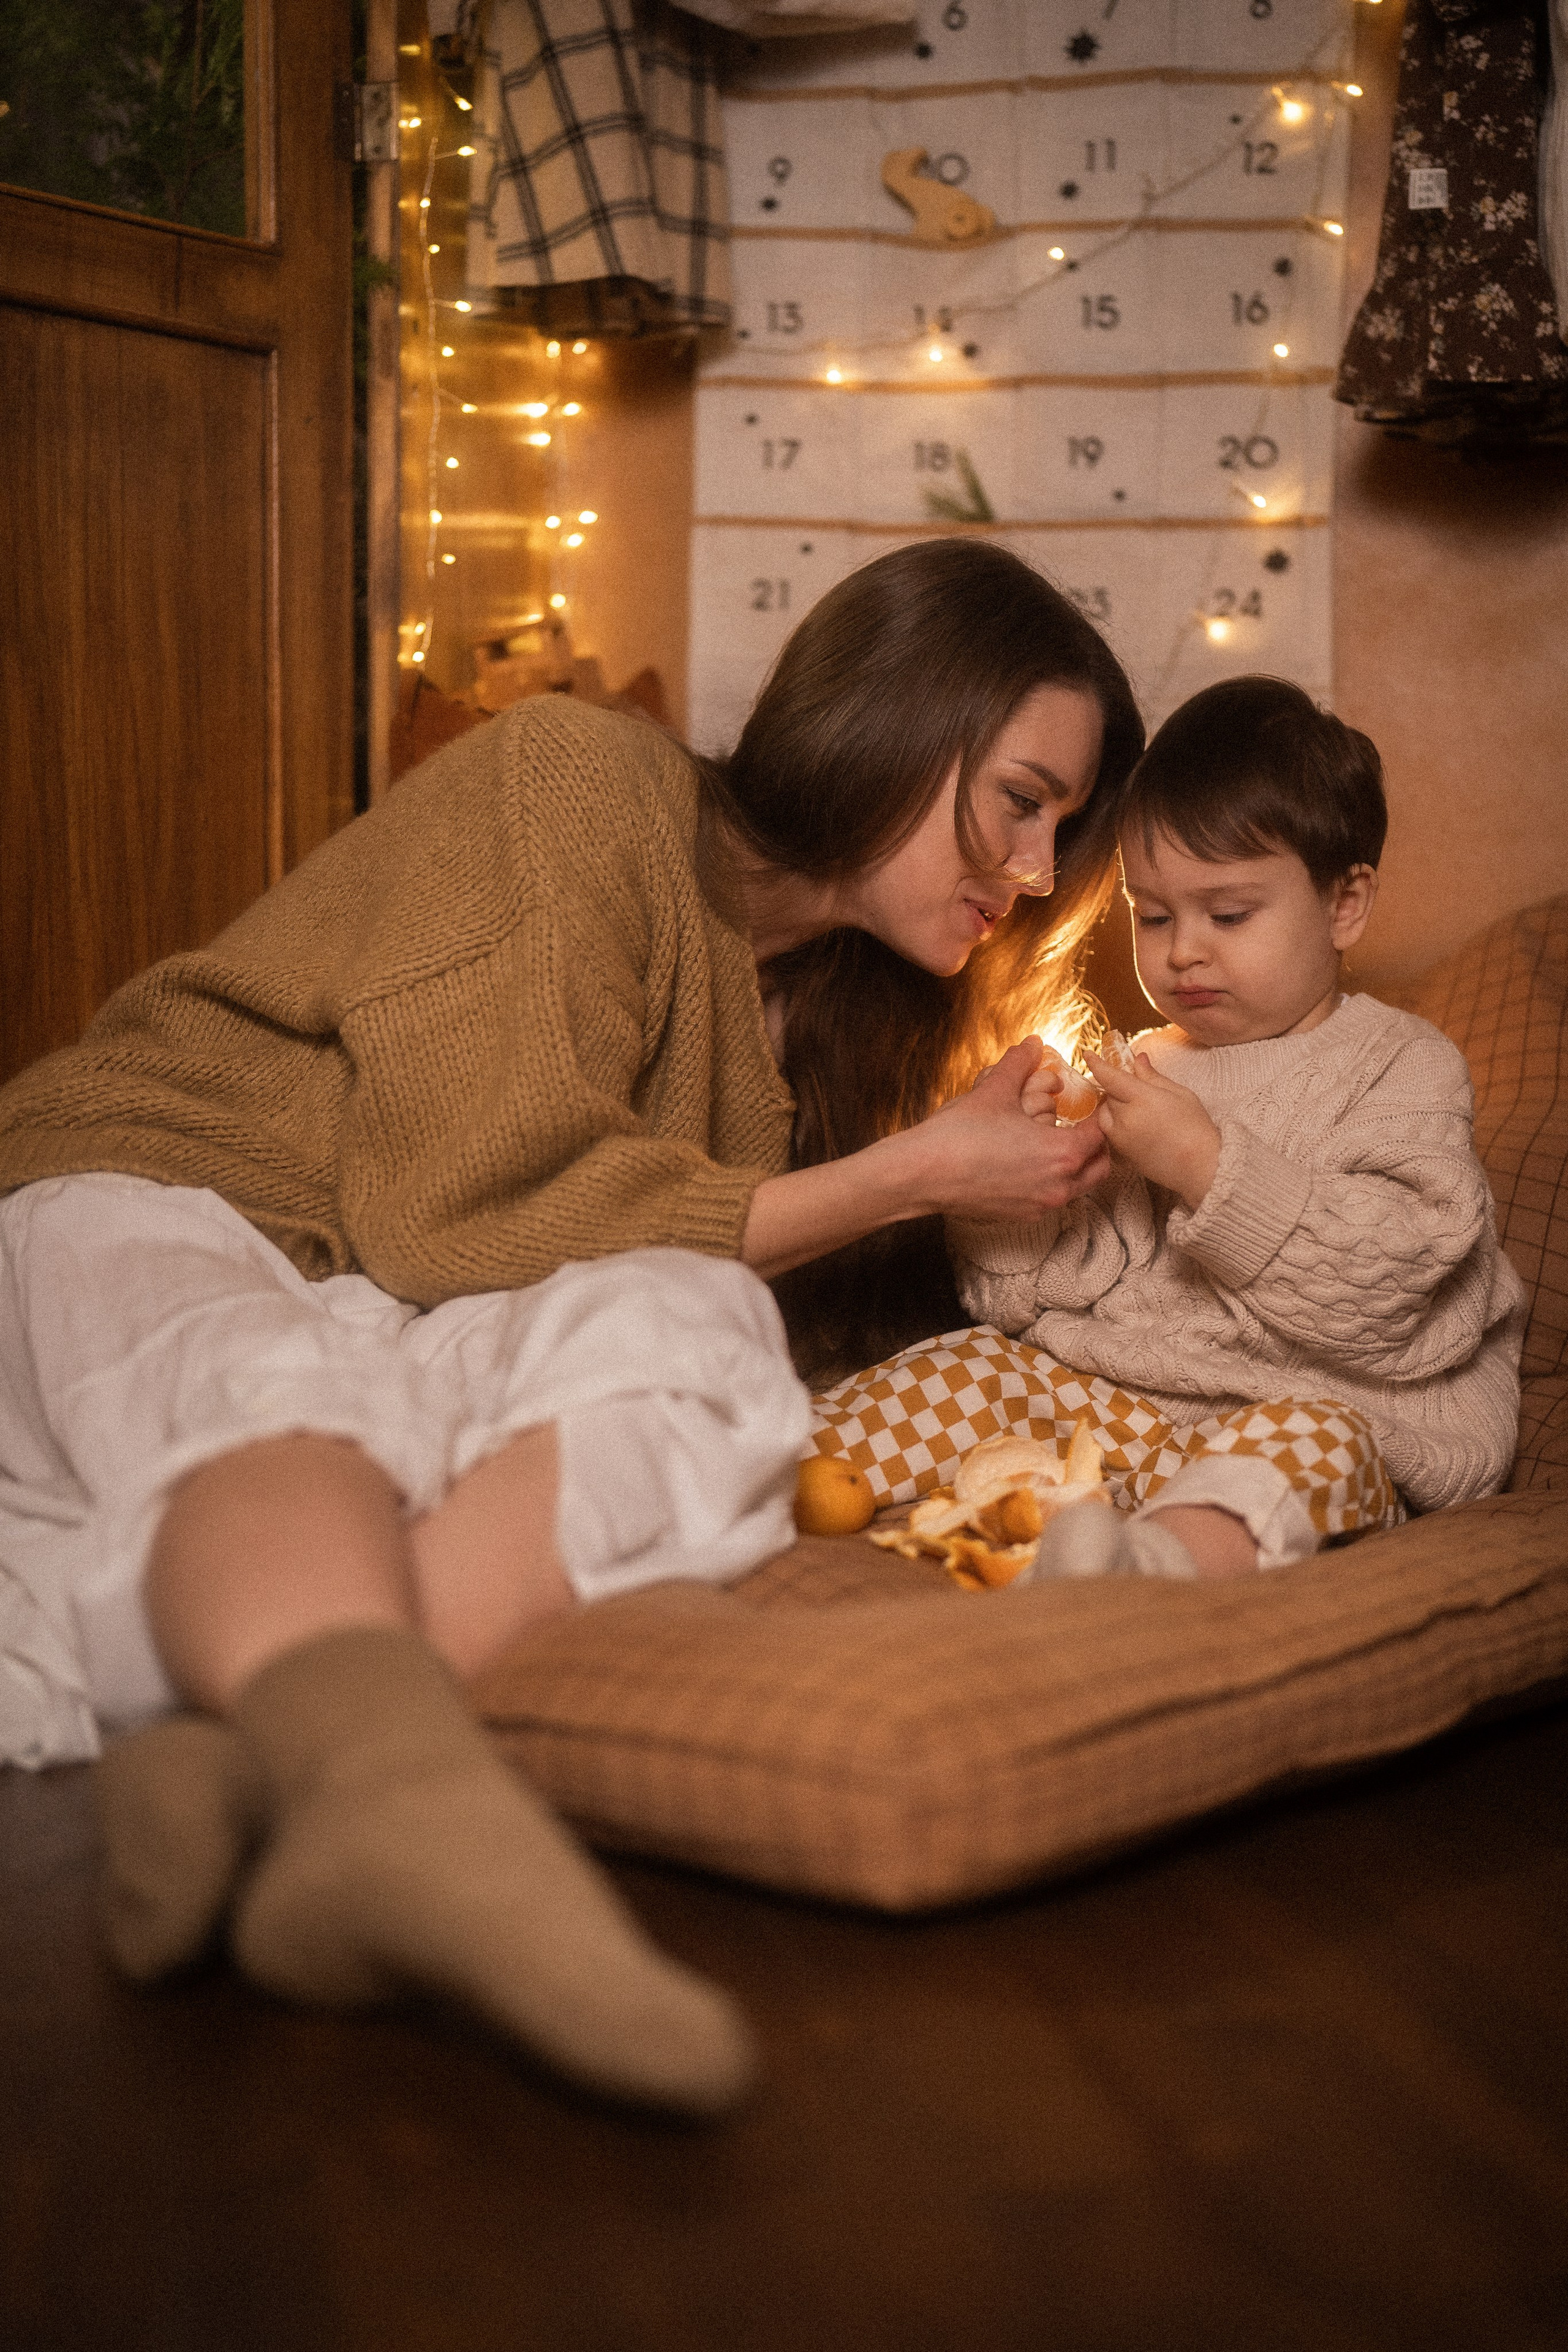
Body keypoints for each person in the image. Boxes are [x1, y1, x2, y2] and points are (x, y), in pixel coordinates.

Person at [0, 539, 1144, 2112]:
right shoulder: (577, 782)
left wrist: (937, 1185)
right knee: (289, 1372)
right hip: (177, 1199)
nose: (1031, 865)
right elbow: (463, 1205)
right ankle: (397, 1798)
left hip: (393, 1301)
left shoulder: (813, 1019)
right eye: (1020, 796)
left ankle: (252, 1774)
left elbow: (595, 1272)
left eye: (1061, 829)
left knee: (708, 1358)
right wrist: (904, 1178)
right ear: (898, 710)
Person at [946, 676, 1525, 1585]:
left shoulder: (1402, 1068)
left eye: (1228, 915)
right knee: (962, 1366)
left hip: (1321, 1406)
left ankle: (1150, 1572)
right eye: (1155, 916)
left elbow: (1394, 1298)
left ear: (1345, 905)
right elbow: (1037, 1299)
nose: (1183, 951)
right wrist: (1007, 1190)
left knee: (1313, 1447)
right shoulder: (1141, 1070)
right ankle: (733, 1474)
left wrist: (1208, 1166)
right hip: (1130, 1410)